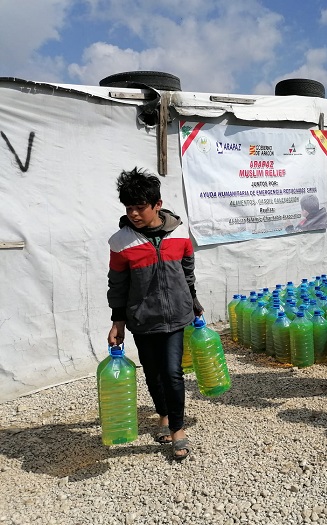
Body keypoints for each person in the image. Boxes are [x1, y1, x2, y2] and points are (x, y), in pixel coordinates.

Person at [107, 167, 203, 461]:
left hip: (177, 315)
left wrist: (194, 301)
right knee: (153, 373)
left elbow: (188, 272)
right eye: (129, 208)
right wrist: (117, 322)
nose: (134, 213)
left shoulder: (181, 232)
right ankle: (162, 414)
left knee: (173, 372)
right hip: (143, 318)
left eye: (140, 207)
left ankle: (177, 429)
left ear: (157, 205)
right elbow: (118, 284)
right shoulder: (121, 242)